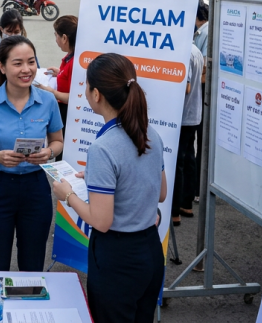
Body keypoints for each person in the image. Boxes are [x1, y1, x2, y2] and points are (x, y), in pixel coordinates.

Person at [50, 53, 167, 323]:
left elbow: (101, 221)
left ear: (97, 94)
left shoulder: (103, 148)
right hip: (149, 250)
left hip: (117, 258)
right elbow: (159, 193)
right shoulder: (150, 132)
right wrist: (97, 179)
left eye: (86, 86)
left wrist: (67, 195)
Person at [0, 35, 63, 271]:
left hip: (36, 188)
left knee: (33, 262)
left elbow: (58, 141)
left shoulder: (48, 101)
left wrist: (48, 153)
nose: (26, 69)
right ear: (2, 66)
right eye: (17, 63)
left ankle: (29, 306)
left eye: (31, 62)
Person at [173, 43, 203, 226]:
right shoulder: (195, 50)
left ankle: (175, 212)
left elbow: (186, 86)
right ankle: (186, 204)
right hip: (193, 113)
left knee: (177, 163)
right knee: (189, 157)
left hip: (183, 116)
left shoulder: (183, 51)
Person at [39, 16, 77, 145]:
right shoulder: (70, 56)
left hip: (68, 114)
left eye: (56, 36)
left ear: (65, 38)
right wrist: (59, 73)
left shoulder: (75, 62)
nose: (56, 40)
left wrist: (51, 92)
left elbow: (74, 97)